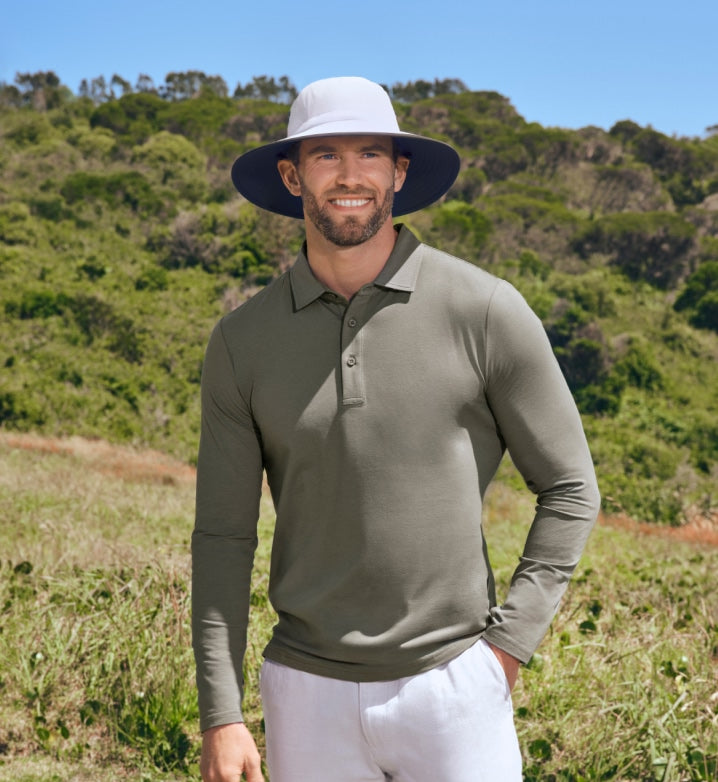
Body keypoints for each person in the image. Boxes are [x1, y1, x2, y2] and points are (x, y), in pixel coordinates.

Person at [192, 76, 600, 782]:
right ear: (292, 176)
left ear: (398, 171)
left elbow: (570, 487)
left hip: (455, 688)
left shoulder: (485, 310)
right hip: (304, 694)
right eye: (325, 156)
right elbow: (223, 539)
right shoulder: (241, 343)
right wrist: (222, 715)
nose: (350, 176)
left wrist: (504, 653)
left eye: (370, 154)